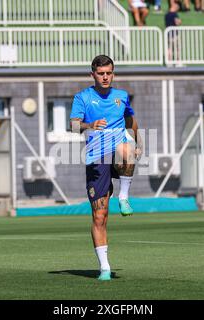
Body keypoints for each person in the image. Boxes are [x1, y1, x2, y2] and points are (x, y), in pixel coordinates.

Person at [70, 55, 142, 281]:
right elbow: (73, 126)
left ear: (113, 73)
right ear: (92, 74)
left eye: (109, 73)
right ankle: (105, 268)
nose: (105, 77)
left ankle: (123, 196)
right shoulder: (82, 97)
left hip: (119, 148)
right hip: (96, 158)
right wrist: (89, 125)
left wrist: (138, 143)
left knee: (127, 150)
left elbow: (130, 121)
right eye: (101, 73)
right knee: (100, 215)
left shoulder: (121, 96)